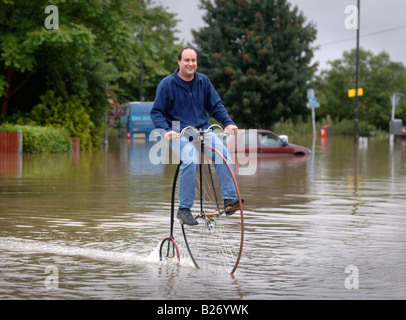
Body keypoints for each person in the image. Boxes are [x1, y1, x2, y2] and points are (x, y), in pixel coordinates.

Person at [151, 47, 242, 226]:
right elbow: (157, 112)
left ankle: (230, 200)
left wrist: (228, 122)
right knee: (191, 160)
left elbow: (216, 106)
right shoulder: (167, 84)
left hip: (202, 128)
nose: (190, 64)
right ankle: (184, 209)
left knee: (222, 152)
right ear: (179, 62)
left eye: (193, 60)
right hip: (177, 131)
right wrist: (165, 129)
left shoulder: (203, 81)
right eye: (186, 60)